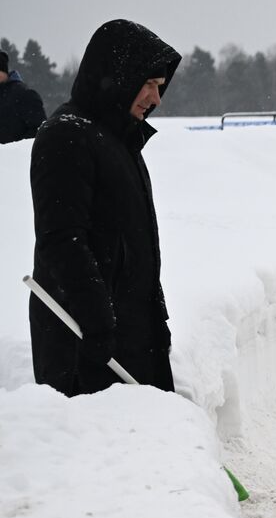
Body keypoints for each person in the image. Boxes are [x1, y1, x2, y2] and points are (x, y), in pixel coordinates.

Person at [29, 20, 180, 396]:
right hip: (84, 345)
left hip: (129, 336)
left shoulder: (119, 138)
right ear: (120, 77)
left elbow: (132, 240)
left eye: (159, 86)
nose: (156, 98)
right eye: (148, 84)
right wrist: (97, 323)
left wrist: (154, 317)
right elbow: (62, 240)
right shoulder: (66, 135)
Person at [0, 51, 48, 144]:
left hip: (16, 152)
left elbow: (39, 130)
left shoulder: (24, 94)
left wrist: (14, 148)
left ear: (4, 72)